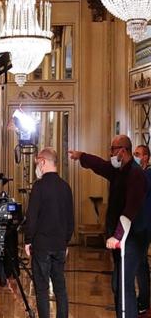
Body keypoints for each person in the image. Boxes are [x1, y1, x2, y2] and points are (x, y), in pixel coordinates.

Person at [69, 135, 148, 318]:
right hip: (123, 237)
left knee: (124, 285)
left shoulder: (135, 174)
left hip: (133, 238)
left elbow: (130, 210)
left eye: (113, 149)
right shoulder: (119, 171)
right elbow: (100, 165)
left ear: (123, 151)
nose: (110, 153)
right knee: (117, 284)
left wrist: (118, 236)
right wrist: (82, 156)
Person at [24, 147, 74, 318]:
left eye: (37, 163)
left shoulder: (39, 187)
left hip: (42, 246)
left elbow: (32, 217)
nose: (37, 167)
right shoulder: (66, 187)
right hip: (60, 245)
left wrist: (28, 240)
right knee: (60, 288)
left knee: (42, 289)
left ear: (43, 162)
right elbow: (70, 220)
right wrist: (65, 241)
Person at [134, 144, 151, 314]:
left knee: (141, 263)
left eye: (138, 154)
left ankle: (144, 300)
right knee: (141, 263)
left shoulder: (147, 175)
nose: (135, 156)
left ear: (146, 157)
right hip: (140, 225)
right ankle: (143, 298)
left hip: (144, 226)